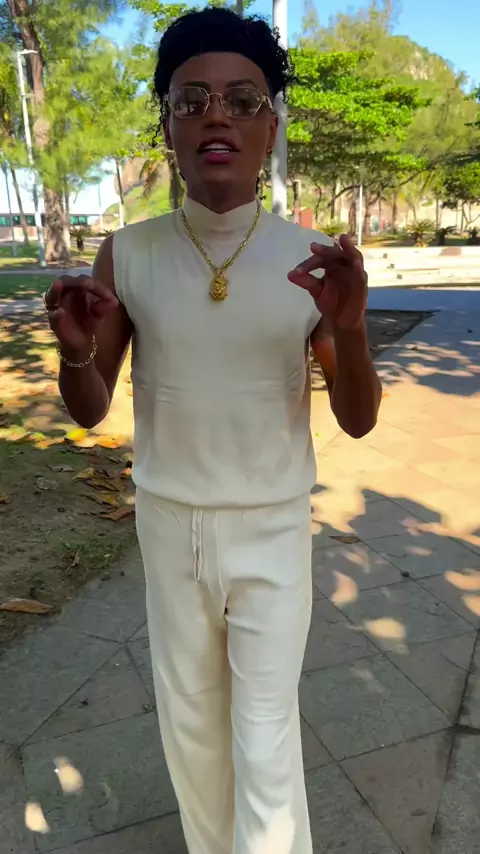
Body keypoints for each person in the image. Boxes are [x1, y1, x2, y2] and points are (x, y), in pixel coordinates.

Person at [43, 7, 381, 854]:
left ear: (271, 127)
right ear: (167, 127)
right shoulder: (129, 253)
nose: (216, 115)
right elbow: (90, 406)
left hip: (272, 526)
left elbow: (357, 418)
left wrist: (349, 329)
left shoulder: (312, 258)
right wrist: (77, 350)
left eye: (242, 99)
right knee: (192, 726)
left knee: (264, 731)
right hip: (170, 528)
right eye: (191, 101)